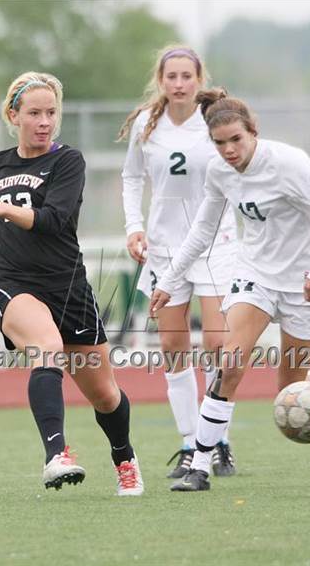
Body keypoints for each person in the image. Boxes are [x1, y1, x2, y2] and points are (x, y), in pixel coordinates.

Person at [0, 71, 144, 496]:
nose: (45, 121)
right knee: (46, 348)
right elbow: (0, 237)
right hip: (14, 283)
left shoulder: (68, 161)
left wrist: (1, 207)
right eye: (34, 113)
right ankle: (57, 455)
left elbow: (52, 221)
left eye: (52, 112)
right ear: (13, 115)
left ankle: (125, 458)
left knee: (105, 395)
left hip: (67, 287)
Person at [150, 89, 310, 491]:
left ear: (253, 131)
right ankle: (200, 467)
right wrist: (170, 280)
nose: (228, 150)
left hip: (307, 283)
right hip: (256, 274)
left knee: (288, 389)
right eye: (219, 142)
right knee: (230, 363)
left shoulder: (288, 163)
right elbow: (203, 229)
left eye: (236, 140)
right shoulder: (219, 171)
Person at [119, 45, 238, 478]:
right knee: (172, 346)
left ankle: (217, 440)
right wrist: (134, 226)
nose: (179, 83)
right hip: (165, 251)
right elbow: (132, 177)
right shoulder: (146, 125)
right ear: (161, 80)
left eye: (187, 76)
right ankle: (190, 443)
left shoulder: (215, 121)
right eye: (172, 76)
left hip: (215, 246)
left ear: (199, 79)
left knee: (219, 346)